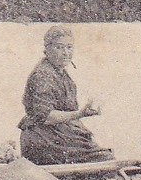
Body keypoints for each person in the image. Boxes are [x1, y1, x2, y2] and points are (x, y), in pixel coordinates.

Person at [18, 26, 112, 165]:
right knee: (103, 160)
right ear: (47, 49)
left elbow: (67, 112)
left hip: (59, 135)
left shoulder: (60, 73)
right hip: (43, 139)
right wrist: (80, 114)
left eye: (69, 47)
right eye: (59, 47)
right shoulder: (43, 75)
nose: (65, 53)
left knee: (102, 155)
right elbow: (45, 117)